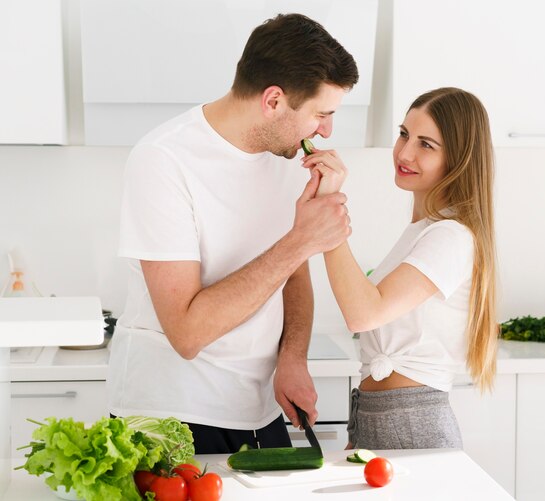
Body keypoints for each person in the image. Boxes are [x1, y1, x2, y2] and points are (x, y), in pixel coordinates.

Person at [107, 13, 358, 454]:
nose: (326, 131)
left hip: (259, 410)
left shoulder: (284, 160)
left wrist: (292, 357)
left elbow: (293, 276)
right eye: (321, 113)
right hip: (171, 416)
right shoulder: (163, 160)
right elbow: (186, 332)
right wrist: (302, 238)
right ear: (274, 100)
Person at [312, 87, 498, 449]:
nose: (405, 152)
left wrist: (328, 208)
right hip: (379, 415)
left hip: (412, 424)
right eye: (403, 134)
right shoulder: (422, 231)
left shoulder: (451, 237)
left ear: (459, 158)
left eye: (426, 144)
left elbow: (363, 314)